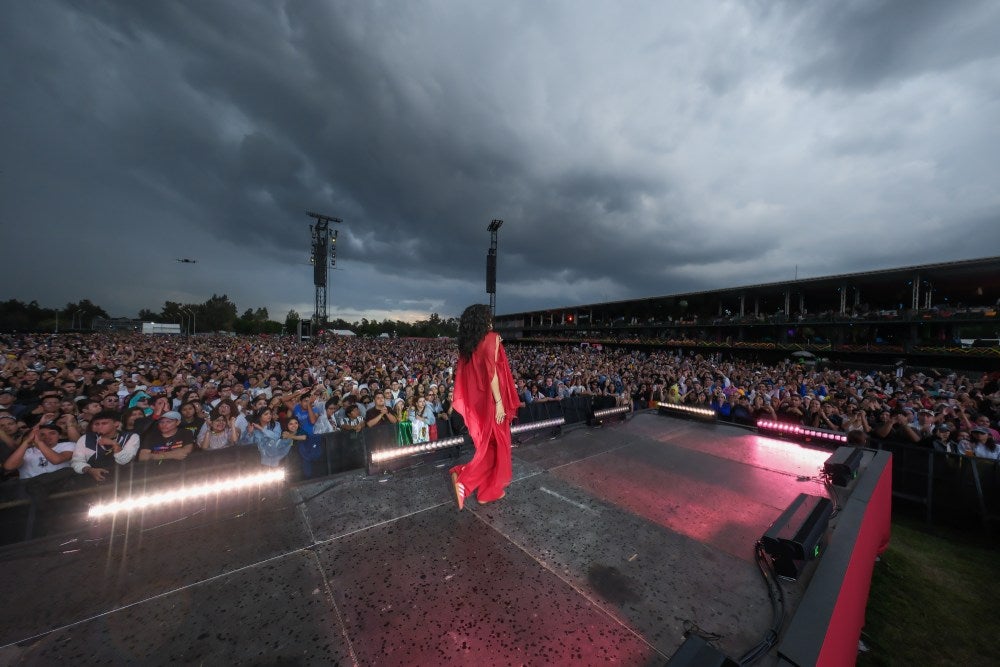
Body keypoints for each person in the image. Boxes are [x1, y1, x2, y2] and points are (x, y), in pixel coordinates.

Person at [449, 304, 519, 510]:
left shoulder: (468, 345)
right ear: (483, 319)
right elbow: (492, 374)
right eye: (488, 317)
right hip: (492, 401)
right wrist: (499, 403)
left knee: (490, 446)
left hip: (478, 402)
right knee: (498, 446)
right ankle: (465, 480)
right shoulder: (491, 338)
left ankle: (487, 491)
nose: (491, 320)